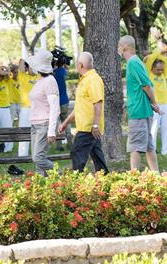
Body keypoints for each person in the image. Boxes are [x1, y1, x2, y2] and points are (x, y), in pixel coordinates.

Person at [59, 52, 109, 173]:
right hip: (87, 127)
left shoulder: (93, 80)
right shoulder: (85, 80)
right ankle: (105, 180)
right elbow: (79, 108)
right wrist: (65, 123)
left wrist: (95, 125)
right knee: (97, 157)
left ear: (80, 65)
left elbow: (98, 103)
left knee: (77, 152)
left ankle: (76, 183)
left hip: (89, 127)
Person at [118, 35, 160, 172]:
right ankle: (156, 176)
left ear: (124, 47)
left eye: (119, 46)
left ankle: (133, 179)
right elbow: (149, 85)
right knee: (148, 146)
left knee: (135, 147)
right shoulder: (138, 62)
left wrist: (154, 103)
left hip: (138, 111)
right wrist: (153, 104)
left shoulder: (133, 63)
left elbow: (146, 86)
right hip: (144, 110)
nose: (118, 49)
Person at [26, 50, 60, 176]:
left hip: (44, 124)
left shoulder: (50, 81)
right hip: (35, 124)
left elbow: (54, 107)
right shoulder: (39, 81)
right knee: (38, 163)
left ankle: (60, 174)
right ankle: (42, 188)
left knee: (38, 158)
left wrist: (51, 131)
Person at [144, 51, 167, 155]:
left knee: (165, 129)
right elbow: (150, 60)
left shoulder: (163, 74)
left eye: (162, 69)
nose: (160, 71)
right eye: (158, 69)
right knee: (153, 128)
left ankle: (164, 150)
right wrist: (159, 50)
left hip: (165, 104)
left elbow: (165, 61)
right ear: (152, 68)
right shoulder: (149, 74)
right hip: (155, 105)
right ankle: (152, 150)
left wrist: (162, 53)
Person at [17, 59, 39, 157]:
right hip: (26, 109)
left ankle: (37, 153)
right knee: (24, 130)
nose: (33, 69)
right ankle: (22, 153)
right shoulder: (22, 76)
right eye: (31, 66)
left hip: (38, 109)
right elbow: (21, 62)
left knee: (38, 132)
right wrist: (30, 59)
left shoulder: (40, 77)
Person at [53, 54, 72, 150]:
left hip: (55, 101)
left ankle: (59, 145)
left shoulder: (54, 73)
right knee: (66, 122)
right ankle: (70, 143)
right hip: (64, 100)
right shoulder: (64, 71)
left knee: (56, 124)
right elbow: (67, 73)